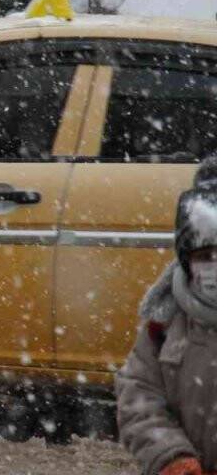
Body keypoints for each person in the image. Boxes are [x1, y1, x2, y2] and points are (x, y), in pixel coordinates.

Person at [116, 162, 217, 475]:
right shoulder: (165, 321)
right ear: (186, 260)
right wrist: (170, 454)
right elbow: (138, 393)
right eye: (205, 256)